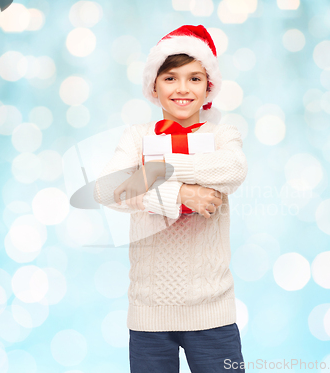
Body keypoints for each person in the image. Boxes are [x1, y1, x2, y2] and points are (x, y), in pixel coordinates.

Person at [94, 24, 248, 373]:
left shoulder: (222, 134)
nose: (182, 89)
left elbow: (234, 169)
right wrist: (178, 193)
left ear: (209, 86)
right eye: (170, 78)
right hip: (149, 314)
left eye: (195, 79)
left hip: (212, 312)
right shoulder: (137, 137)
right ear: (153, 85)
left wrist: (158, 168)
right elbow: (106, 189)